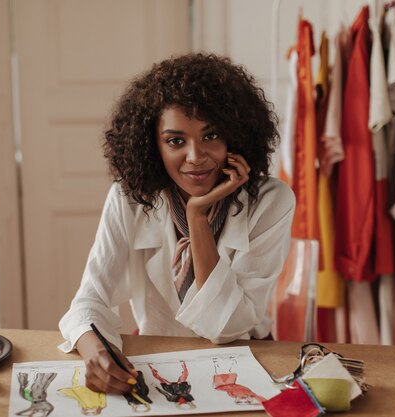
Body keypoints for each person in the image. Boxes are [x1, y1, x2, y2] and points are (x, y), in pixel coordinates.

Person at [59, 52, 295, 394]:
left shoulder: (271, 201)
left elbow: (226, 328)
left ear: (235, 135)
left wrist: (198, 217)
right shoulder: (129, 198)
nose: (196, 156)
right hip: (157, 363)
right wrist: (93, 348)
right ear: (153, 145)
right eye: (175, 141)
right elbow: (88, 301)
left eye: (211, 135)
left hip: (247, 361)